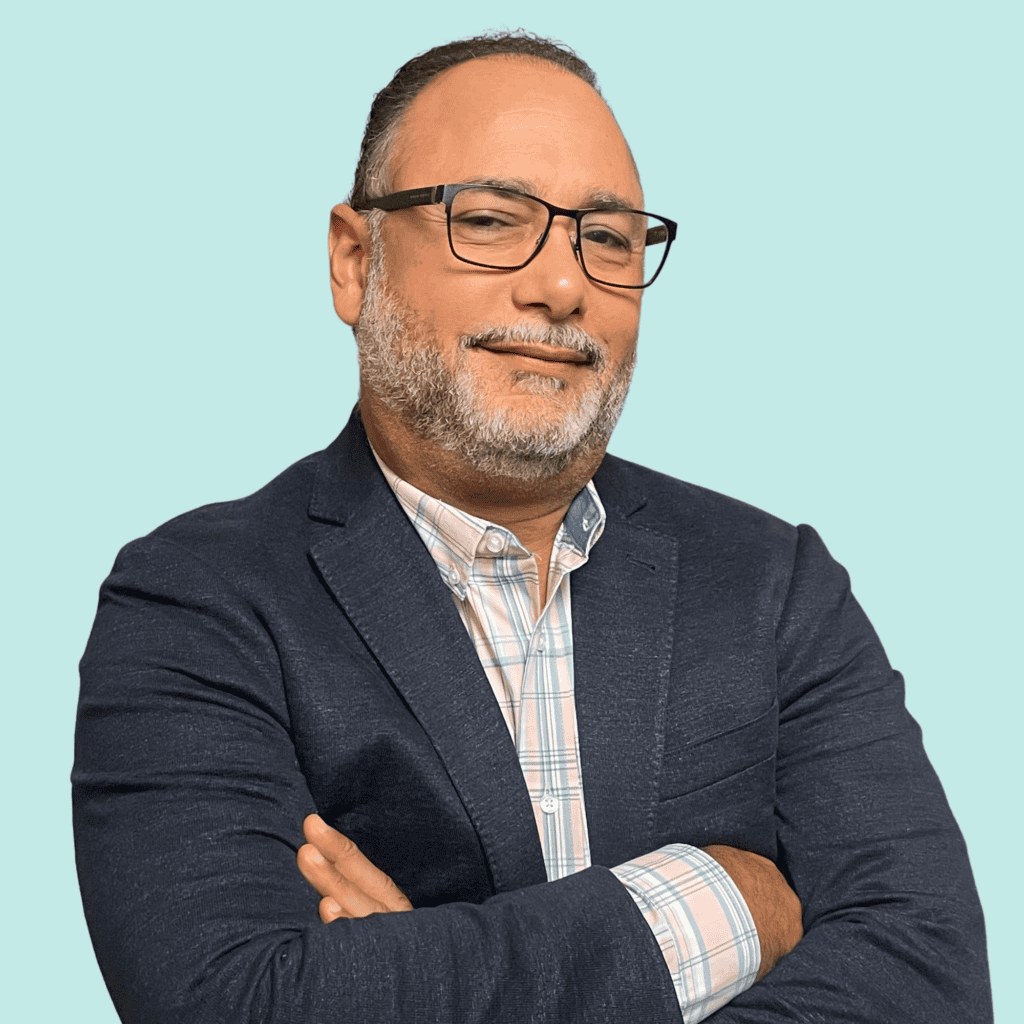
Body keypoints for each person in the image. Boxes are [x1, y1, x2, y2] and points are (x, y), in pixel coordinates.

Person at [73, 32, 991, 1024]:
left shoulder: (775, 588)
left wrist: (406, 971)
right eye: (491, 220)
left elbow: (930, 980)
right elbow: (236, 1004)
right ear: (353, 259)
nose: (561, 287)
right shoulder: (196, 603)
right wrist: (719, 899)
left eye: (607, 238)